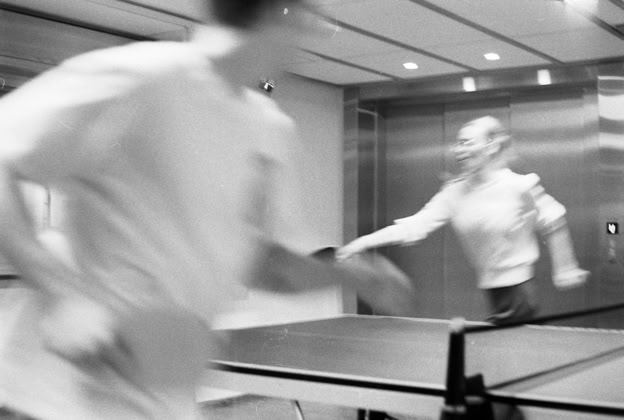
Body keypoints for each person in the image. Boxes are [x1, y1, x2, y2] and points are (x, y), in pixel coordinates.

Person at [0, 1, 420, 419]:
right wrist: (62, 295)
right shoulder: (141, 78)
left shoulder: (266, 128)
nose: (310, 37)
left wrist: (353, 275)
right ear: (278, 15)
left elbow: (263, 262)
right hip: (61, 393)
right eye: (309, 18)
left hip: (160, 393)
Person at [338, 116, 589, 324]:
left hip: (518, 294)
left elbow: (554, 218)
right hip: (491, 291)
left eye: (467, 143)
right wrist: (361, 243)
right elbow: (415, 225)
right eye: (458, 144)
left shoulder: (518, 186)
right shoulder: (455, 192)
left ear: (491, 147)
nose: (459, 151)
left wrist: (565, 267)